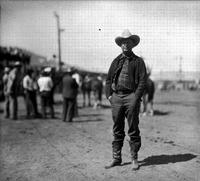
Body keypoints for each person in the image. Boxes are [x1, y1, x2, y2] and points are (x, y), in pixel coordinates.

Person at [105, 29, 147, 170]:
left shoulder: (138, 61)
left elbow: (142, 81)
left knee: (133, 128)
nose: (125, 45)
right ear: (120, 45)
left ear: (132, 44)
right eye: (123, 43)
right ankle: (116, 158)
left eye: (127, 42)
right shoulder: (116, 61)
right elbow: (108, 79)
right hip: (116, 96)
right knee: (117, 128)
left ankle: (134, 158)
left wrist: (136, 97)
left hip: (131, 97)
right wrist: (109, 96)